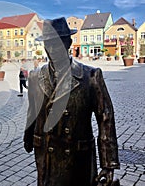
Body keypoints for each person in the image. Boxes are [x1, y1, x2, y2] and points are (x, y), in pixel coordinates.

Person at [23, 17, 120, 186]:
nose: (52, 49)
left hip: (77, 156)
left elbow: (106, 118)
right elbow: (33, 110)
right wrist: (28, 136)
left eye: (57, 43)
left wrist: (108, 164)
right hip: (46, 152)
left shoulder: (89, 77)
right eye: (48, 43)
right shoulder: (35, 77)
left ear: (67, 43)